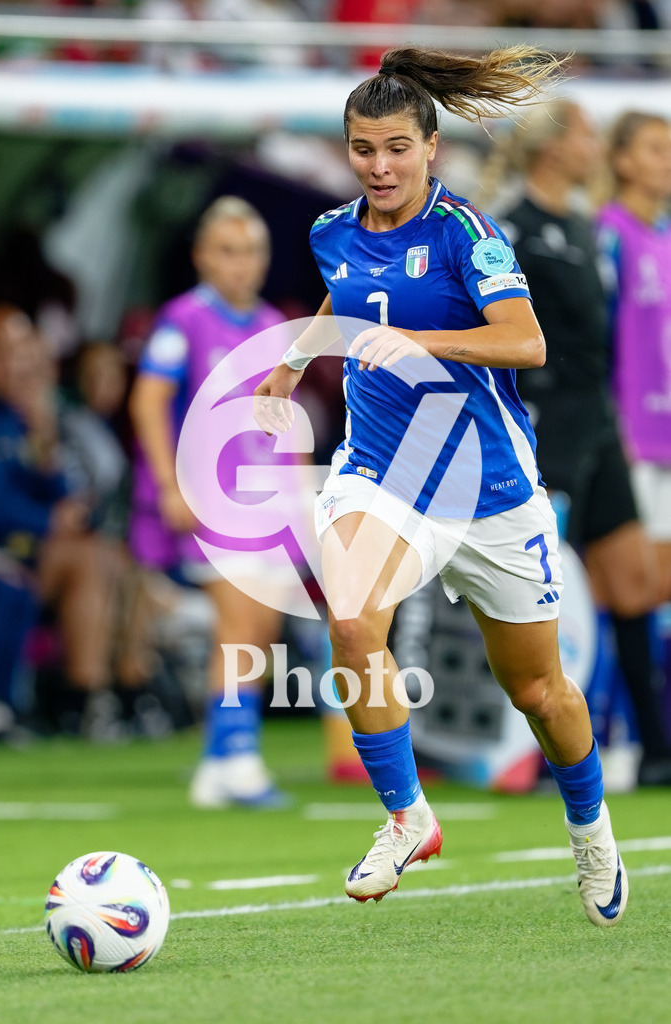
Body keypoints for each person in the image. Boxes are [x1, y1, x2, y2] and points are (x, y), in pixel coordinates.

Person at [254, 45, 628, 927]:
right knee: (350, 622)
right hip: (384, 474)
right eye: (360, 149)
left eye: (394, 148)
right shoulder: (329, 231)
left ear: (430, 148)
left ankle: (590, 829)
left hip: (489, 486)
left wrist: (430, 346)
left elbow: (525, 342)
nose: (377, 166)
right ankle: (405, 816)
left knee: (540, 694)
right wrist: (287, 367)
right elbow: (339, 306)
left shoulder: (469, 234)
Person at [487, 100, 671, 787]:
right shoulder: (510, 227)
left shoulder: (585, 227)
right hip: (543, 426)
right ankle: (531, 749)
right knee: (537, 595)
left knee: (633, 588)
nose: (593, 144)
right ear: (553, 148)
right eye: (587, 134)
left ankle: (654, 749)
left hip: (595, 422)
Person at [129, 196, 290, 808]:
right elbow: (147, 401)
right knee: (237, 624)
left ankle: (217, 764)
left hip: (265, 498)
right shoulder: (184, 320)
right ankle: (241, 759)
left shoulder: (274, 324)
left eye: (250, 252)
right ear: (202, 256)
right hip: (211, 497)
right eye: (227, 251)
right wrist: (171, 485)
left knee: (263, 630)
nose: (240, 265)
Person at [0, 305, 120, 734]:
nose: (20, 364)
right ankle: (77, 701)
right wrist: (49, 521)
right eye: (6, 352)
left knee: (104, 555)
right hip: (3, 550)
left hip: (24, 550)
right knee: (80, 559)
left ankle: (87, 700)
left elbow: (68, 500)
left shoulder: (23, 416)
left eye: (25, 352)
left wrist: (45, 444)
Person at [597, 112, 671, 610]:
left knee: (661, 585)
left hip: (666, 428)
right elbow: (595, 338)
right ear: (623, 162)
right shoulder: (609, 235)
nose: (667, 162)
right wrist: (611, 423)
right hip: (632, 436)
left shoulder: (665, 235)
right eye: (656, 150)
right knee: (633, 587)